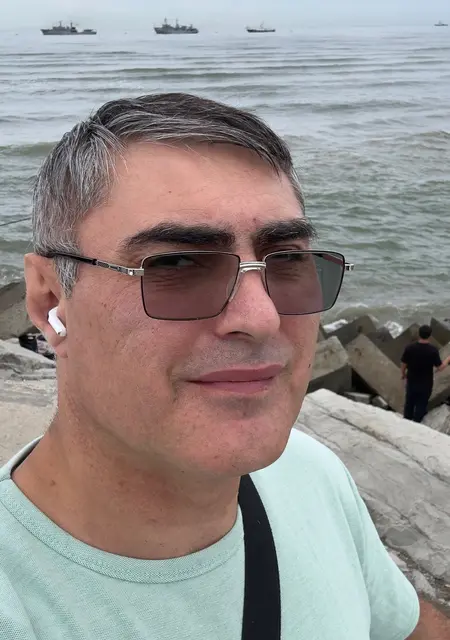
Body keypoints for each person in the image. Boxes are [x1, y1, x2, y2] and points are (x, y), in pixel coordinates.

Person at [0, 93, 448, 639]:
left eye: (287, 260)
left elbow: (402, 625)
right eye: (177, 264)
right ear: (50, 300)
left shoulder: (310, 473)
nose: (261, 317)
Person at [401, 324, 450, 423]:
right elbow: (440, 367)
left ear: (419, 334)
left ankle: (406, 422)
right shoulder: (433, 350)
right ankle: (416, 423)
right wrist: (448, 359)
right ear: (430, 336)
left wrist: (403, 374)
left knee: (409, 403)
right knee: (421, 405)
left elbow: (404, 363)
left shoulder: (410, 348)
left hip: (412, 381)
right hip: (426, 383)